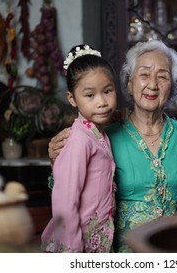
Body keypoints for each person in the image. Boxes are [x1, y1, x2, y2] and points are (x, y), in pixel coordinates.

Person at [48, 40, 177, 252]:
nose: (152, 84)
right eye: (144, 74)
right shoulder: (104, 134)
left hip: (174, 248)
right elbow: (68, 194)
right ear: (129, 83)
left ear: (174, 86)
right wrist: (54, 160)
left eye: (162, 76)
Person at [41, 44, 117, 253]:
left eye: (108, 91)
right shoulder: (79, 140)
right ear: (72, 99)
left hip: (99, 240)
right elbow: (65, 202)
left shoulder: (98, 134)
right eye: (90, 95)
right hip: (77, 246)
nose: (102, 102)